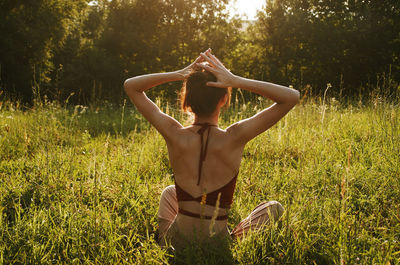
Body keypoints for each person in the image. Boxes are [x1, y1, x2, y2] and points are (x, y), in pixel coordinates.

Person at [124, 49, 299, 250]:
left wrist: (180, 74)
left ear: (186, 102)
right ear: (223, 100)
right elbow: (291, 97)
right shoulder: (234, 137)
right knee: (274, 208)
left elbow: (131, 86)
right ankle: (233, 240)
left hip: (176, 242)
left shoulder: (174, 133)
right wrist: (235, 80)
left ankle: (163, 244)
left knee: (170, 193)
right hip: (218, 244)